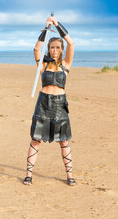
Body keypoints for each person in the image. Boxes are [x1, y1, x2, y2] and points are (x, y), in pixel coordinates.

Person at [23, 16, 76, 186]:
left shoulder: (66, 64)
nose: (54, 50)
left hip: (60, 105)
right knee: (36, 139)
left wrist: (56, 24)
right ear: (49, 49)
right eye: (52, 47)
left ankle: (69, 176)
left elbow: (72, 43)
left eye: (58, 47)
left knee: (64, 140)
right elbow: (36, 49)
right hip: (43, 103)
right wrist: (46, 29)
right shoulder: (43, 65)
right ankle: (28, 175)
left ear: (61, 49)